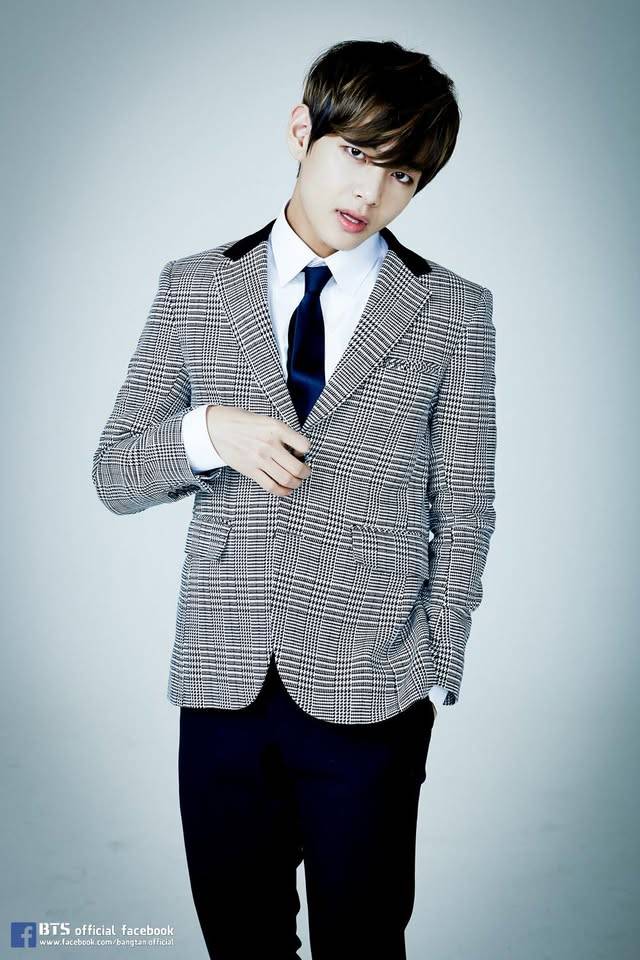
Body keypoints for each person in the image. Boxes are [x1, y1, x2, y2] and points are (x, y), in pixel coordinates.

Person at [92, 38, 497, 960]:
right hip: (222, 682)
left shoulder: (451, 310)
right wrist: (208, 433)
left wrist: (432, 661)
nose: (371, 192)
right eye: (356, 153)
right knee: (241, 942)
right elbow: (114, 473)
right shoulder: (196, 287)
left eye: (403, 175)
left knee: (365, 943)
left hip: (374, 686)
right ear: (300, 131)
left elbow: (466, 502)